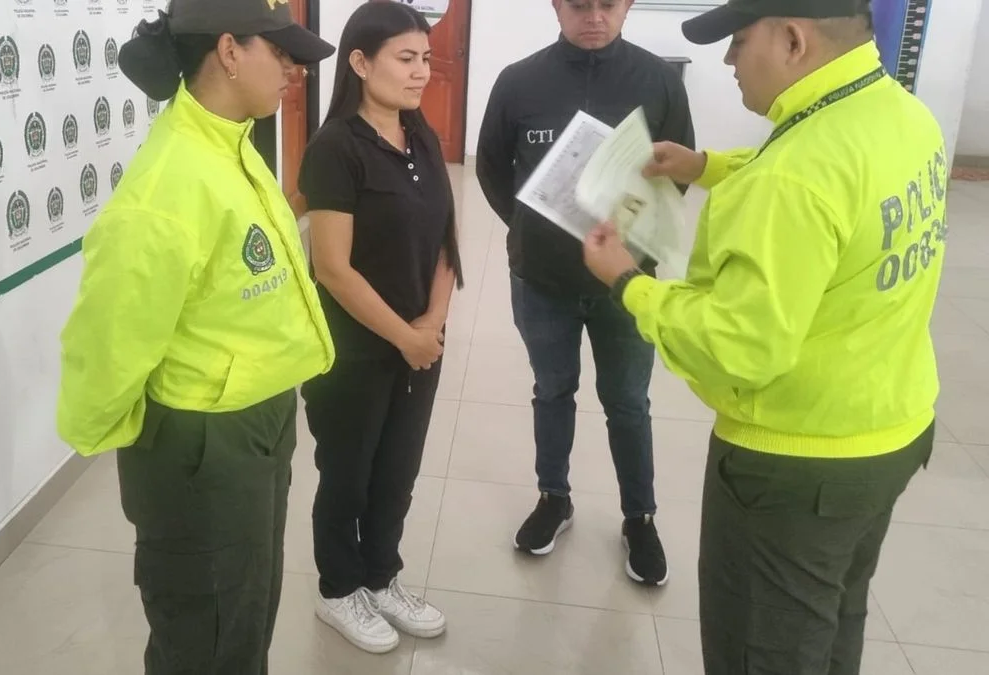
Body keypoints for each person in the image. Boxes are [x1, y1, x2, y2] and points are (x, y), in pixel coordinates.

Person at [581, 1, 946, 673]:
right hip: (890, 431)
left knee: (765, 652)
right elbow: (826, 175)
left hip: (795, 469)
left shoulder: (793, 179)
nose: (727, 60)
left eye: (739, 41)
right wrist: (706, 165)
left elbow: (738, 348)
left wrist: (628, 282)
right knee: (833, 619)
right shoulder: (902, 115)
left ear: (793, 40)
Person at [54, 1, 337, 673]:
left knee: (245, 617)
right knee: (206, 637)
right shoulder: (166, 186)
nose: (294, 69)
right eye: (280, 51)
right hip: (205, 442)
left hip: (257, 418)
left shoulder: (232, 144)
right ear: (230, 51)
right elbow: (109, 344)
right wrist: (154, 451)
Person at [475, 0, 695, 586]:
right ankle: (554, 497)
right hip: (542, 279)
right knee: (552, 391)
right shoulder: (518, 81)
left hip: (627, 283)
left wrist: (632, 236)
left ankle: (639, 517)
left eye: (608, 4)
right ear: (556, 5)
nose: (594, 16)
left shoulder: (657, 80)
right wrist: (531, 228)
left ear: (627, 5)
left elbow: (679, 174)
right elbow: (492, 170)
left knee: (629, 402)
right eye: (579, 4)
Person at [296, 1, 463, 654]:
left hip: (420, 344)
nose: (422, 71)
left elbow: (446, 239)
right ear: (361, 63)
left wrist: (432, 323)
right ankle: (338, 588)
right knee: (348, 472)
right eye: (407, 58)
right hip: (354, 350)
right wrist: (405, 335)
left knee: (398, 469)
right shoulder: (335, 148)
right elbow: (332, 269)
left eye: (426, 58)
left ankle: (380, 575)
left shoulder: (422, 137)